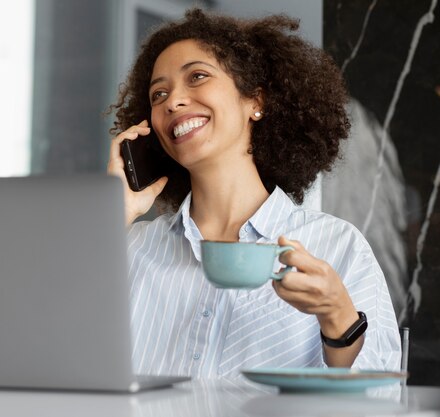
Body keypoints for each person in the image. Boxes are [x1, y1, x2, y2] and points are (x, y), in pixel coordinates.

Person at [106, 8, 401, 377]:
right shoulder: (130, 248)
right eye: (158, 94)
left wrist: (339, 318)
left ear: (256, 102)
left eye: (197, 76)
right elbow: (58, 348)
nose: (172, 101)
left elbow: (384, 398)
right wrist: (113, 213)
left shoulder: (337, 246)